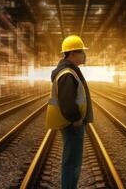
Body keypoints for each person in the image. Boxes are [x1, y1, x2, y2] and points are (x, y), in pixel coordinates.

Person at [48, 35, 93, 189]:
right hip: (73, 125)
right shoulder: (67, 74)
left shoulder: (69, 71)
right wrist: (76, 119)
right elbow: (67, 101)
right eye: (82, 51)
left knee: (72, 160)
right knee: (72, 162)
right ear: (73, 53)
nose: (84, 55)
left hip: (72, 124)